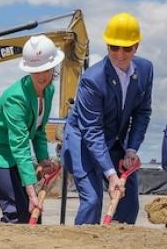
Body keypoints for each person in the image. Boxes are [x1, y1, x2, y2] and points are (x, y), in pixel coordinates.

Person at [63, 12, 153, 225]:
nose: (120, 54)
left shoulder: (145, 69)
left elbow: (142, 113)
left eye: (127, 48)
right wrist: (111, 175)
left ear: (136, 46)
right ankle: (81, 247)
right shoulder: (92, 80)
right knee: (93, 200)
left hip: (114, 141)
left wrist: (131, 149)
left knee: (129, 200)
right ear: (107, 46)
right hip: (83, 141)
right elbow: (92, 130)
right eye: (114, 47)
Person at [0, 35, 64, 224]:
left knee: (33, 215)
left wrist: (43, 159)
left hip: (12, 152)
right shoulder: (16, 98)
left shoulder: (49, 90)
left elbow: (38, 130)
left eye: (46, 69)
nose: (42, 76)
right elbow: (20, 146)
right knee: (18, 211)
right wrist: (32, 193)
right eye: (36, 70)